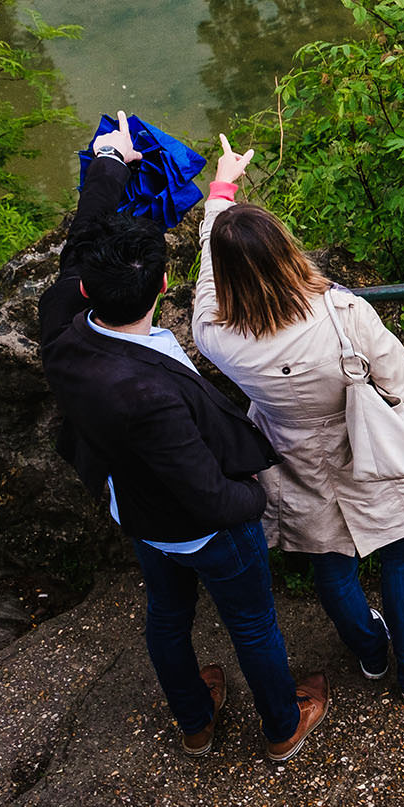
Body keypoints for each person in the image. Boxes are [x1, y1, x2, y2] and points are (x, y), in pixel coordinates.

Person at [39, 113, 330, 762]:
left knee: (167, 615)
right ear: (164, 286)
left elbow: (82, 236)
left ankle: (195, 720)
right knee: (251, 621)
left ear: (85, 286)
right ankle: (283, 723)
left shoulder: (61, 321)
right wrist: (258, 498)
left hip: (135, 512)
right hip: (203, 528)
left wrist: (112, 160)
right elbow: (206, 491)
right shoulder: (148, 394)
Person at [191, 136, 404, 703]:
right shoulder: (342, 312)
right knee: (398, 548)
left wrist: (219, 196)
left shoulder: (216, 333)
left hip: (291, 451)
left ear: (228, 277)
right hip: (364, 442)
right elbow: (399, 378)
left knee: (330, 556)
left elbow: (206, 276)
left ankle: (370, 651)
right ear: (285, 252)